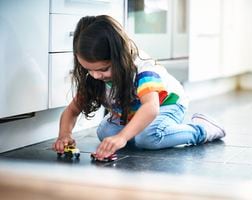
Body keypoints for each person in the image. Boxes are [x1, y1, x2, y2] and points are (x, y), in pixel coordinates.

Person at [52, 15, 225, 160]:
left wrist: (122, 137)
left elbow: (151, 107)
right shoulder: (94, 76)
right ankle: (141, 131)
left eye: (103, 69)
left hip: (167, 104)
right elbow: (72, 110)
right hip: (133, 112)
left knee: (147, 138)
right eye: (88, 69)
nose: (96, 75)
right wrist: (64, 135)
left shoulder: (143, 69)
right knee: (105, 133)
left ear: (120, 58)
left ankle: (202, 129)